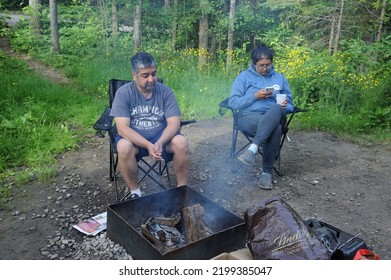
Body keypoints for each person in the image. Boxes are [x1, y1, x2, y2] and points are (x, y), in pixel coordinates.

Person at [110, 52, 189, 199]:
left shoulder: (166, 92)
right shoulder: (123, 93)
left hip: (161, 140)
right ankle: (135, 192)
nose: (151, 79)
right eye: (145, 75)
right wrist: (147, 145)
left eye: (154, 74)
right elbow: (122, 128)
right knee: (123, 147)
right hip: (135, 141)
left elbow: (174, 122)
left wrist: (159, 142)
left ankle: (182, 190)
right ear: (134, 75)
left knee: (181, 142)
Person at [228, 44, 294, 190]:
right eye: (261, 66)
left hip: (277, 114)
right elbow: (233, 102)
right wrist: (255, 96)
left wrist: (284, 106)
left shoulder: (280, 78)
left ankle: (252, 148)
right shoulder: (244, 77)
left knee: (276, 108)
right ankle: (266, 172)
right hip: (250, 117)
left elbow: (291, 105)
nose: (265, 68)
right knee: (275, 128)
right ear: (254, 63)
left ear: (272, 63)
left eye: (268, 65)